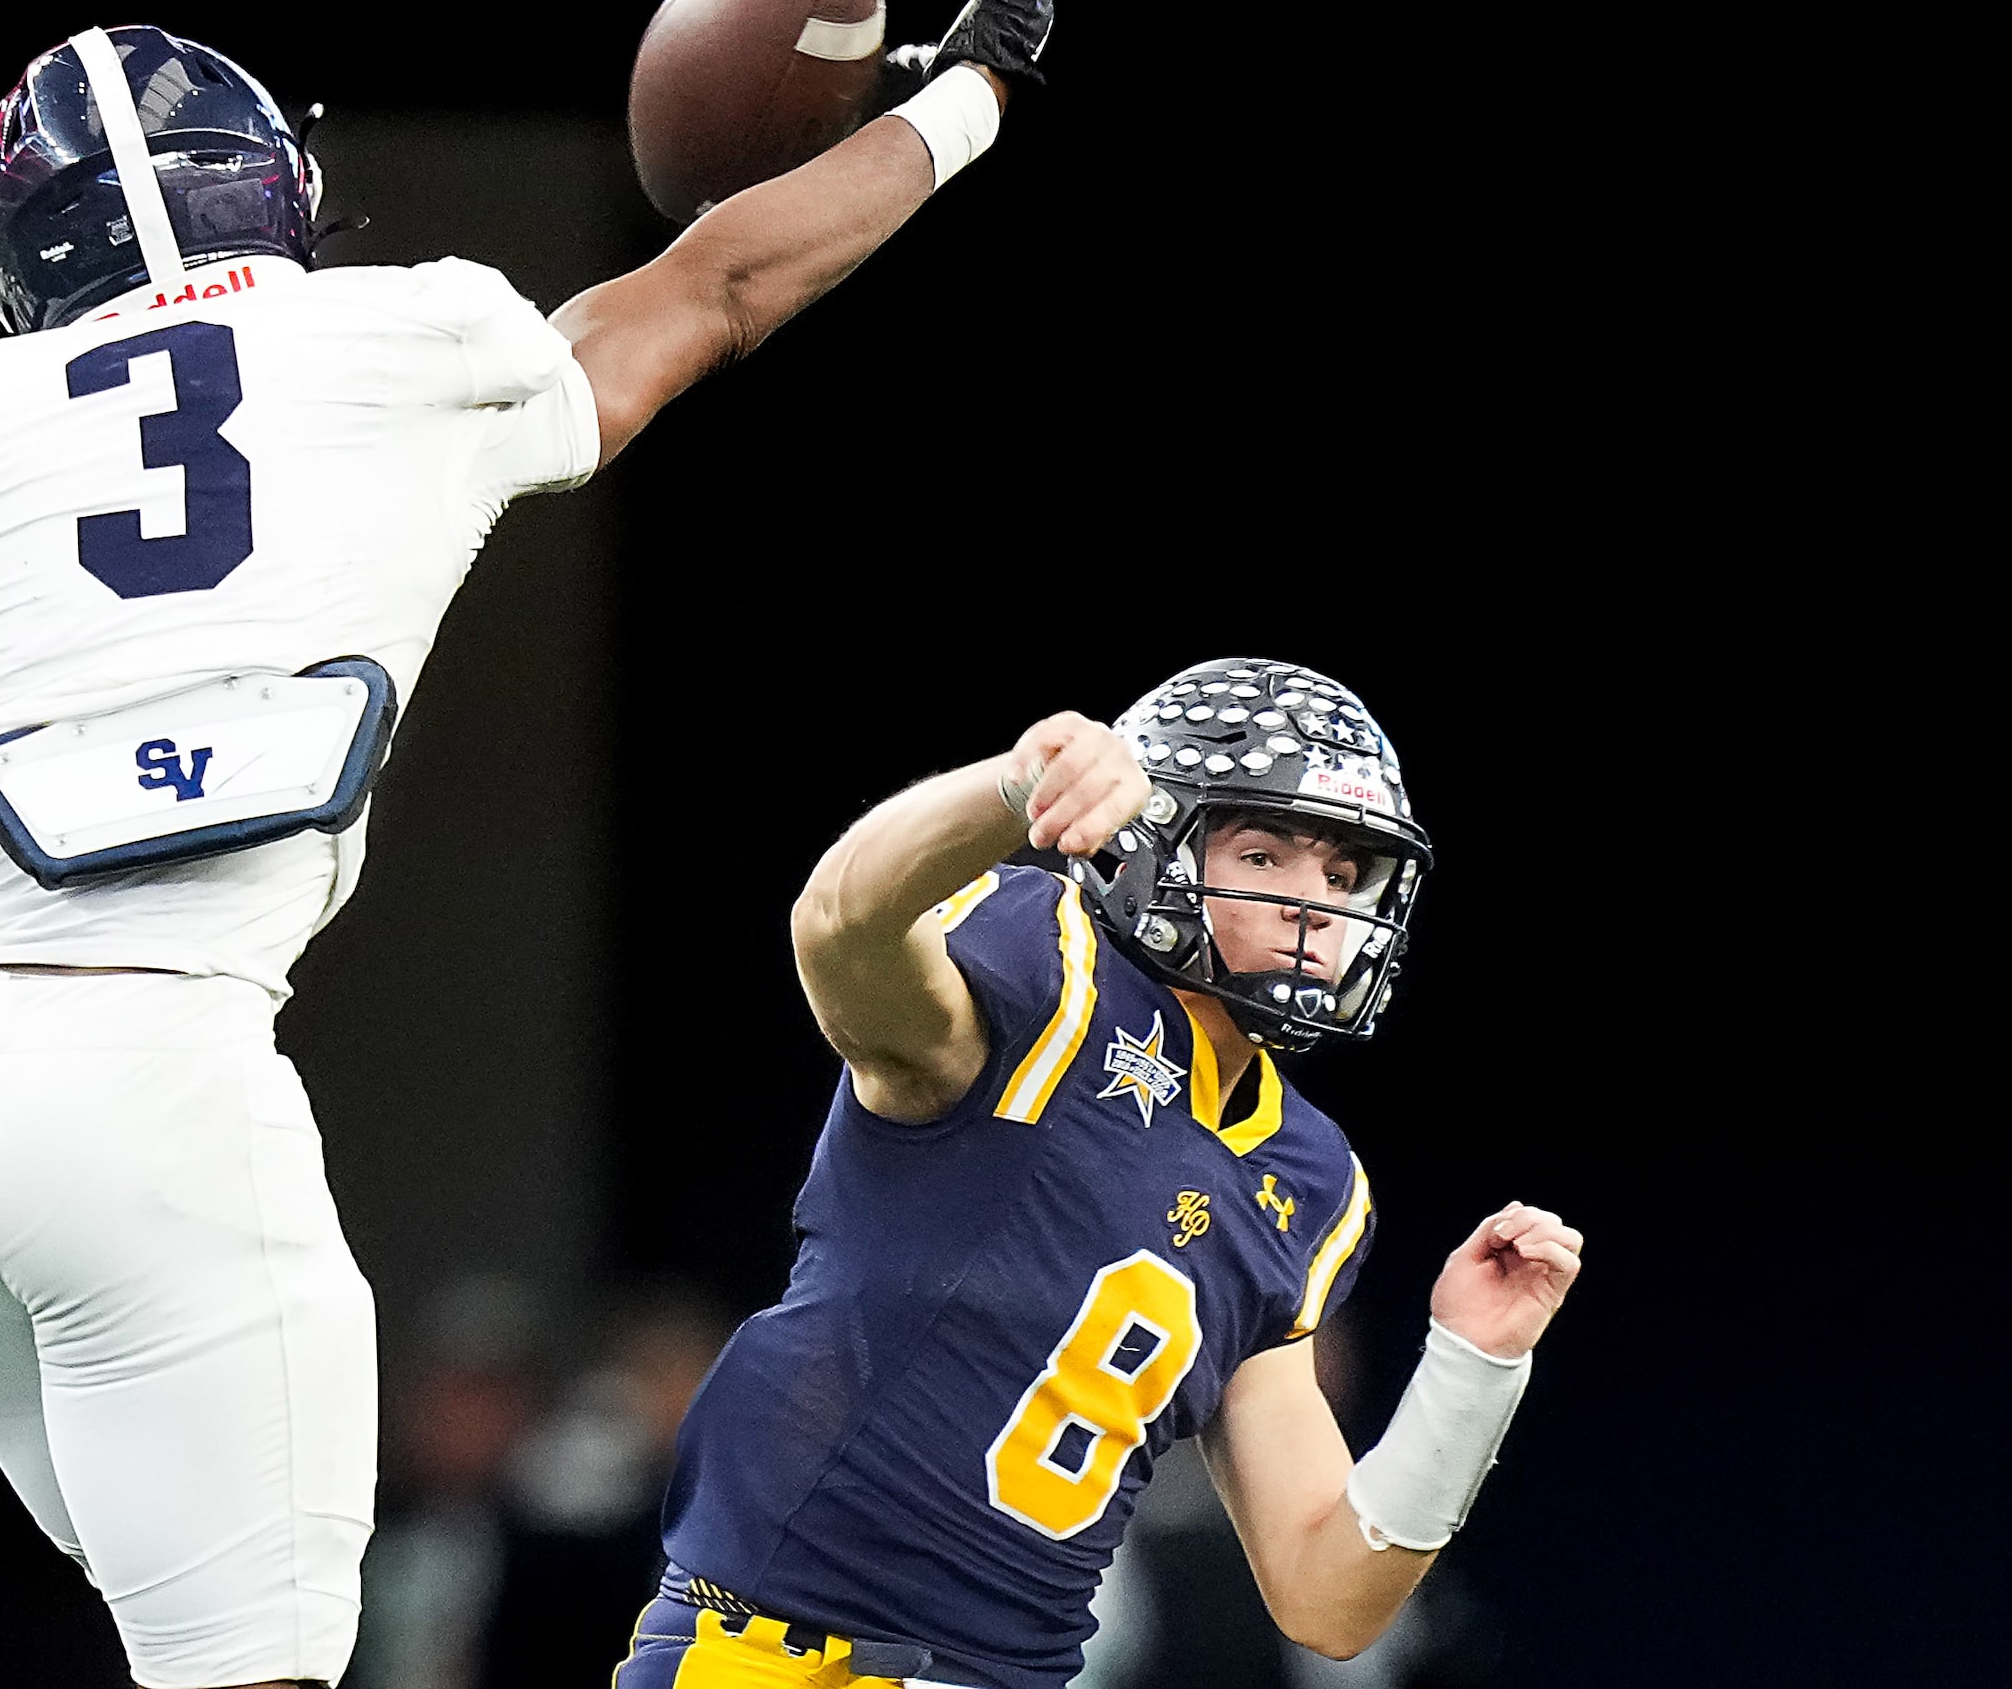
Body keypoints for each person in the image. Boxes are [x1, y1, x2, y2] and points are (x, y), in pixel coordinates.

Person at [0, 0, 1085, 1689]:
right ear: (271, 187)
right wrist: (962, 106)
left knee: (183, 1633)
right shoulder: (410, 350)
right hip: (161, 1086)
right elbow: (716, 281)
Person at [617, 659, 1586, 1688]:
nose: (1316, 906)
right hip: (783, 1658)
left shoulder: (1308, 1181)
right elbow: (841, 925)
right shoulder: (1049, 982)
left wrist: (1473, 1371)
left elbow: (1326, 1596)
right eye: (1267, 855)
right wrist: (1010, 785)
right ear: (1151, 844)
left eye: (1343, 877)